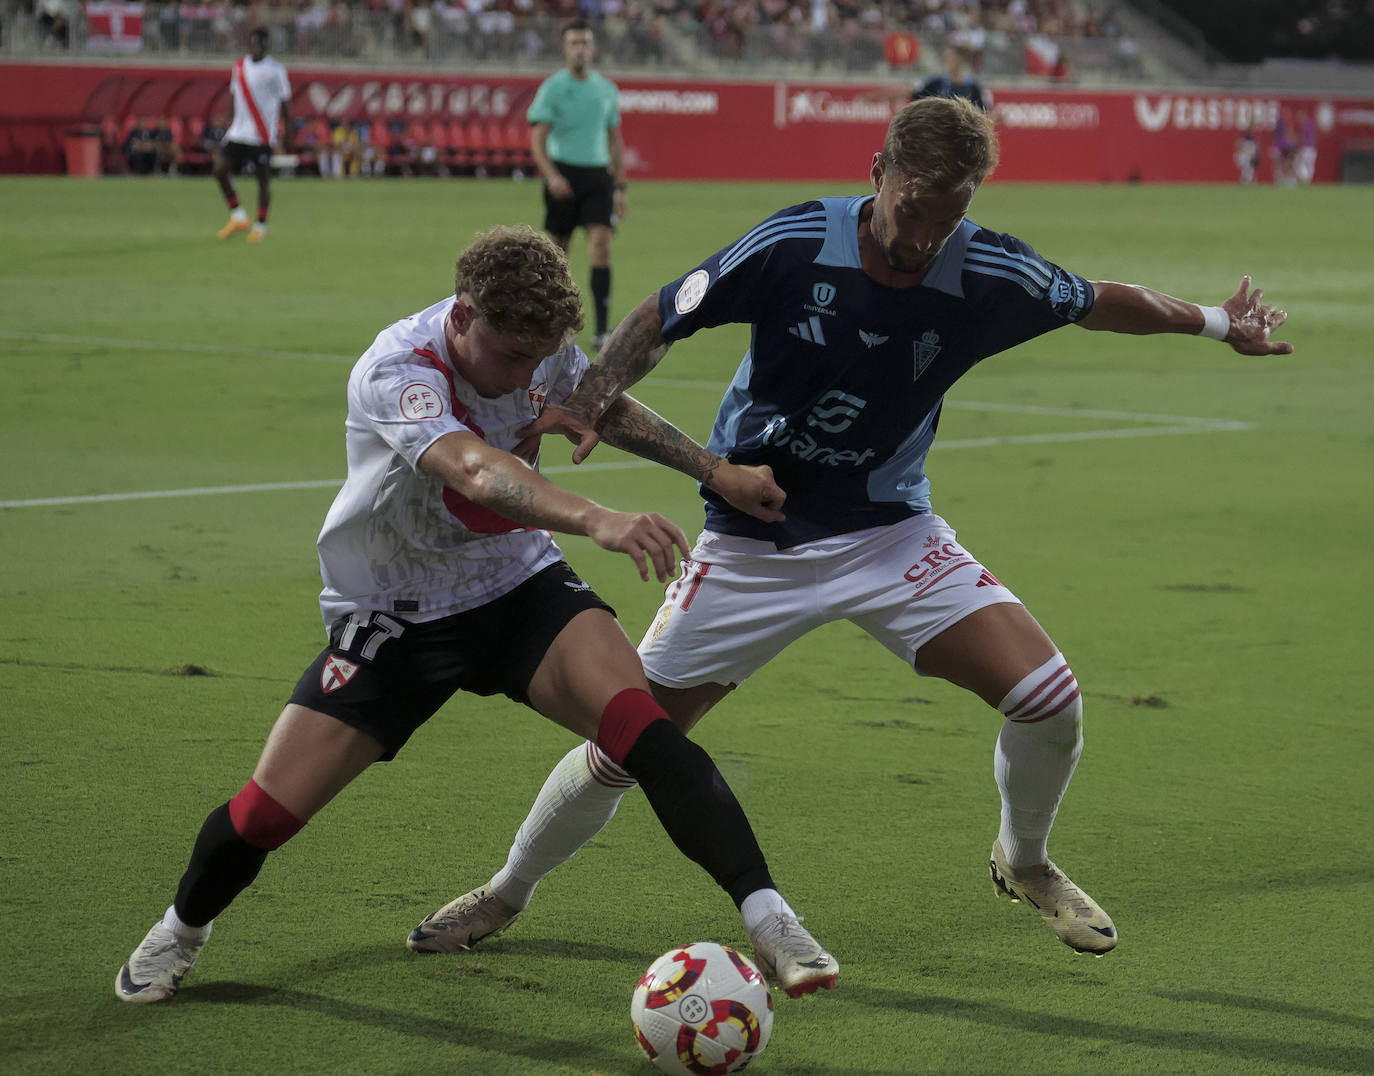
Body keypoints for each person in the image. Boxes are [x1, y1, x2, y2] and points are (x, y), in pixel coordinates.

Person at [416, 97, 1293, 961]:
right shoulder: (795, 243)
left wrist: (1217, 323)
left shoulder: (989, 272)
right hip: (751, 541)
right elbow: (660, 314)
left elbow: (1099, 299)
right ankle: (506, 891)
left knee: (1049, 699)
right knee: (627, 742)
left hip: (889, 533)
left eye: (951, 217)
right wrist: (592, 395)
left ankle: (1023, 862)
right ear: (878, 173)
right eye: (915, 209)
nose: (926, 237)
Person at [114, 225, 838, 1006]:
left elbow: (601, 404)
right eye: (509, 355)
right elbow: (476, 469)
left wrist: (716, 471)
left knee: (644, 733)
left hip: (516, 585)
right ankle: (181, 929)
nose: (525, 376)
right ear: (462, 317)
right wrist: (596, 517)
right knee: (264, 814)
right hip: (397, 614)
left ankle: (772, 923)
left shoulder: (536, 353)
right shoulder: (399, 369)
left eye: (538, 358)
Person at [527, 19, 627, 351]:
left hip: (597, 175)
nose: (580, 49)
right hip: (564, 175)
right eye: (574, 43)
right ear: (565, 48)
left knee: (601, 248)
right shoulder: (552, 88)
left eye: (585, 42)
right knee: (558, 255)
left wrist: (620, 187)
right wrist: (552, 175)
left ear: (593, 47)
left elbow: (614, 140)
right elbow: (538, 139)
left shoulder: (606, 89)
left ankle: (601, 329)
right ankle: (556, 323)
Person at [213, 27, 292, 244]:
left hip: (262, 133)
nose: (257, 45)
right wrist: (228, 123)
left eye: (261, 42)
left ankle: (260, 226)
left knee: (263, 180)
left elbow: (285, 104)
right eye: (254, 41)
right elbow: (233, 96)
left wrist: (288, 135)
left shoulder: (276, 70)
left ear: (266, 45)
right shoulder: (239, 67)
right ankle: (238, 217)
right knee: (220, 170)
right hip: (239, 131)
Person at [866, 43, 991, 112]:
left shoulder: (973, 85)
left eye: (950, 58)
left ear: (961, 60)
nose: (947, 61)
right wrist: (876, 96)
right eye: (946, 58)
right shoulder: (937, 81)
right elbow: (908, 92)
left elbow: (984, 115)